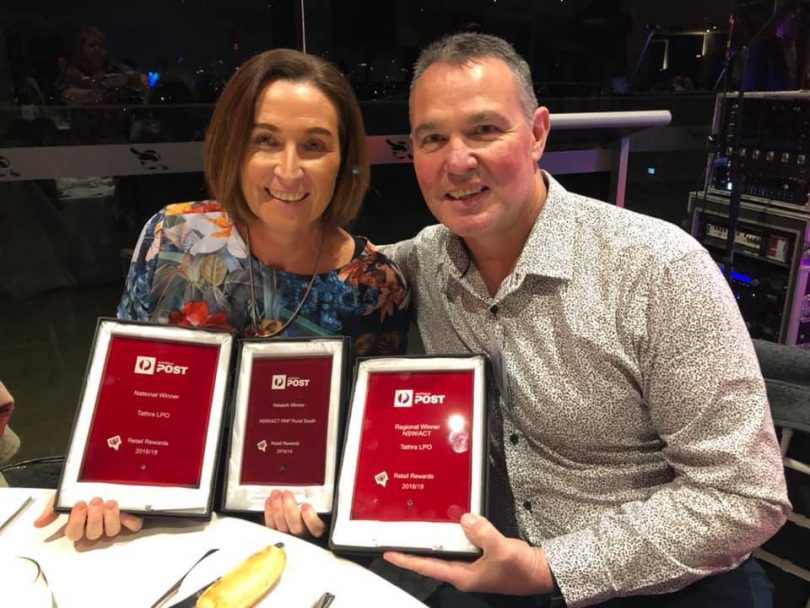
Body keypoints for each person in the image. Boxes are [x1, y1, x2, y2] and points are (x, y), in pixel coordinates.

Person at [379, 33, 790, 607]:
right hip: (502, 570)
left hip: (671, 581)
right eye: (432, 138)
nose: (457, 160)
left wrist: (553, 568)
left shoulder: (657, 269)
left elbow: (744, 495)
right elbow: (321, 270)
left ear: (538, 133)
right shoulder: (422, 261)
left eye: (484, 130)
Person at [34, 48, 411, 543]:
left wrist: (326, 506)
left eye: (315, 145)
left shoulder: (372, 286)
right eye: (266, 141)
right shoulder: (174, 237)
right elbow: (122, 392)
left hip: (293, 535)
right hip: (160, 515)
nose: (289, 170)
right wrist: (97, 486)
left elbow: (367, 450)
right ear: (234, 146)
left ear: (344, 161)